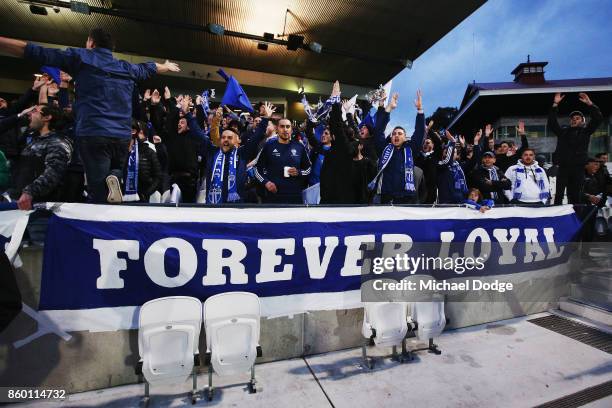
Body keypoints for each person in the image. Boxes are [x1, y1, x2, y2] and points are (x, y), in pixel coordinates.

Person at [0, 29, 181, 204]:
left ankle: (102, 223)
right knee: (115, 172)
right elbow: (150, 67)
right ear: (111, 48)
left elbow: (34, 51)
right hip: (122, 135)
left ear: (91, 42)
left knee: (98, 193)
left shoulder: (81, 58)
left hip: (94, 133)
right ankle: (115, 175)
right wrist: (166, 65)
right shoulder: (126, 67)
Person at [201, 102, 273, 203]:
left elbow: (256, 137)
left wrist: (265, 118)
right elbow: (198, 135)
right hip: (214, 206)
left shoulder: (242, 153)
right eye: (223, 137)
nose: (225, 140)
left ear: (238, 140)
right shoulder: (213, 152)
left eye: (230, 138)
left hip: (236, 206)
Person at [9, 105, 72, 210]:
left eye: (34, 111)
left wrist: (29, 192)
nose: (29, 113)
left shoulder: (57, 142)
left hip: (40, 208)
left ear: (47, 117)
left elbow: (53, 173)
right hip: (20, 203)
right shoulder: (34, 140)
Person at [371, 90, 425, 204]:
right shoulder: (384, 148)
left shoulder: (410, 149)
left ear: (405, 138)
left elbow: (420, 132)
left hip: (406, 199)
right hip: (385, 198)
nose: (396, 135)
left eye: (400, 134)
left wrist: (420, 110)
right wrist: (389, 108)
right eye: (394, 134)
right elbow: (378, 131)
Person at [548, 92, 603, 204]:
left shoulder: (586, 131)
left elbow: (598, 119)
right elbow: (552, 123)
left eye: (577, 118)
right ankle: (558, 219)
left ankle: (575, 219)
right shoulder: (563, 132)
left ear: (583, 121)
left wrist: (590, 104)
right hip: (563, 168)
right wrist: (555, 105)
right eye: (572, 118)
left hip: (578, 169)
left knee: (575, 196)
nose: (574, 119)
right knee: (558, 196)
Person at [253, 114, 312, 204]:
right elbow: (257, 169)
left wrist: (299, 172)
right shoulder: (269, 146)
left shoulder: (299, 146)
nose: (285, 129)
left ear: (291, 130)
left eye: (288, 127)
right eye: (282, 127)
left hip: (295, 196)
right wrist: (266, 183)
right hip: (273, 195)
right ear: (277, 129)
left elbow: (308, 169)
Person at [437, 130, 482, 204]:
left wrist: (476, 142)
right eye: (446, 152)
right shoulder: (440, 165)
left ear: (457, 155)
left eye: (453, 152)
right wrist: (452, 142)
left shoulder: (461, 166)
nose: (449, 154)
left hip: (462, 202)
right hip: (446, 203)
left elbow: (474, 160)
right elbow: (448, 161)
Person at [578, 158, 608, 243]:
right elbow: (574, 192)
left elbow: (601, 191)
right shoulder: (580, 176)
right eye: (595, 164)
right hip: (583, 209)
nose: (597, 167)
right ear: (587, 165)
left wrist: (601, 199)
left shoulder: (595, 177)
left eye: (598, 165)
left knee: (590, 231)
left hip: (593, 209)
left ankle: (586, 253)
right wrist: (588, 196)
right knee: (584, 231)